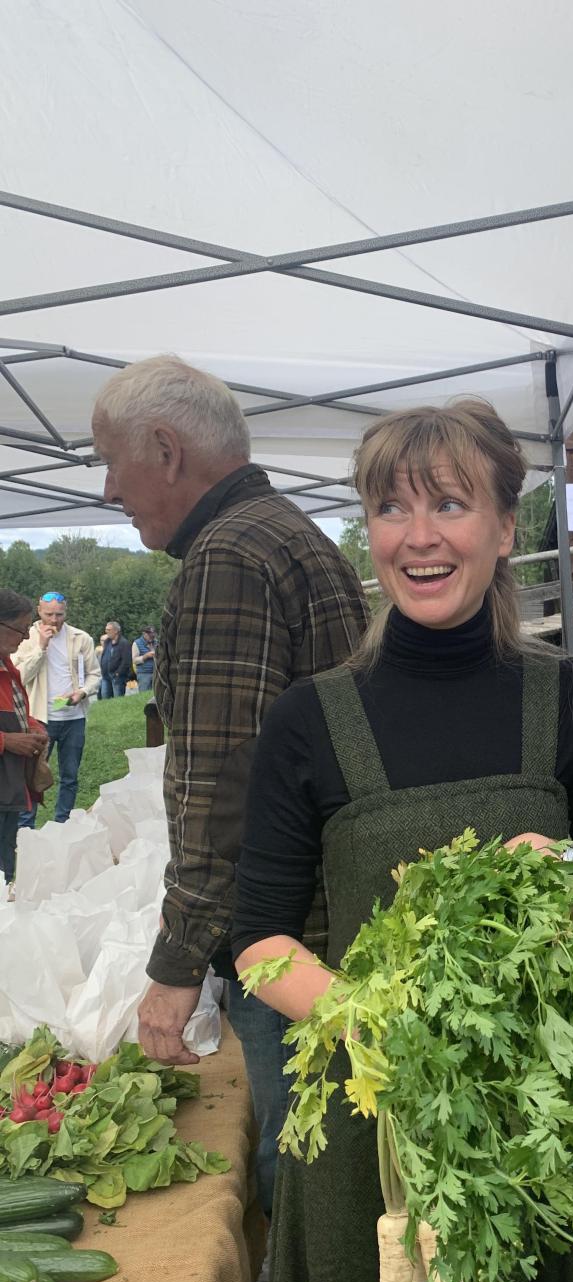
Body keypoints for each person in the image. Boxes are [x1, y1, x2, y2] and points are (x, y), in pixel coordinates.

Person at [231, 398, 573, 1282]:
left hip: (532, 1132)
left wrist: (559, 874)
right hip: (368, 1132)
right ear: (368, 532)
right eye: (390, 508)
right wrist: (378, 1021)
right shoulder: (309, 720)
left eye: (450, 504)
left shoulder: (568, 701)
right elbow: (259, 942)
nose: (418, 536)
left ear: (505, 527)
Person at [91, 353, 368, 1214]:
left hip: (286, 940)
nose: (108, 489)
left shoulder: (228, 557)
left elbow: (223, 783)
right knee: (339, 1168)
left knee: (307, 1186)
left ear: (165, 449)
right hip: (326, 924)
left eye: (111, 461)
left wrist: (177, 965)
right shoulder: (286, 534)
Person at [13, 592, 100, 826]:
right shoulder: (26, 638)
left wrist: (82, 692)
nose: (54, 620)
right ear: (39, 611)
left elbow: (94, 674)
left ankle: (64, 823)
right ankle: (25, 828)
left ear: (66, 612)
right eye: (49, 614)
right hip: (40, 718)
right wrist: (41, 647)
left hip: (74, 718)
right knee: (32, 774)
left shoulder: (81, 638)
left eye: (59, 614)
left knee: (70, 775)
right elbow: (19, 677)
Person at [0, 590, 48, 883]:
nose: (26, 637)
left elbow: (16, 712)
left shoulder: (8, 665)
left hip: (8, 790)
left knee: (6, 866)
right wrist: (7, 741)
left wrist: (33, 728)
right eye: (21, 629)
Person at [97, 622, 132, 698]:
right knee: (105, 699)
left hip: (117, 677)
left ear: (116, 631)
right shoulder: (107, 642)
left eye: (109, 630)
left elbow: (126, 661)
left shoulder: (124, 643)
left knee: (117, 700)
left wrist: (118, 673)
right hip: (105, 676)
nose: (106, 632)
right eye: (106, 629)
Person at [131, 625, 157, 692]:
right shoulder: (136, 643)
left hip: (156, 673)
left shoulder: (156, 642)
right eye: (150, 635)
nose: (152, 637)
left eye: (153, 635)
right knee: (144, 694)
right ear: (144, 634)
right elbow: (134, 660)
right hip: (143, 674)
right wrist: (145, 656)